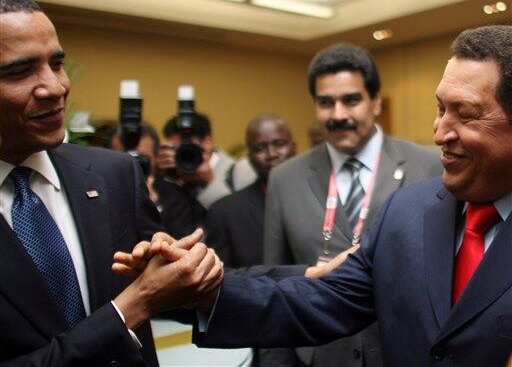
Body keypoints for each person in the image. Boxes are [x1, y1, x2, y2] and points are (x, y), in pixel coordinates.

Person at [188, 25, 512, 366]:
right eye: (440, 109)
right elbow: (321, 298)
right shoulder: (406, 212)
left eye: (467, 115)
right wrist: (197, 292)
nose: (440, 133)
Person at [0, 0, 223, 365]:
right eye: (21, 71)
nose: (55, 88)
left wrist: (312, 274)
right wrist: (130, 309)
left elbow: (175, 285)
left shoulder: (113, 174)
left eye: (56, 64)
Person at [262, 43, 442, 366]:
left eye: (351, 100)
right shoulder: (284, 178)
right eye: (325, 103)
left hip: (405, 354)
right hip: (321, 356)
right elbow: (276, 288)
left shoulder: (429, 167)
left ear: (375, 101)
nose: (338, 114)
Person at [205, 114, 296, 267]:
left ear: (293, 147)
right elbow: (221, 276)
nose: (272, 154)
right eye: (260, 148)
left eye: (279, 144)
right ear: (249, 157)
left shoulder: (323, 198)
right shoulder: (225, 212)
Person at [155, 113, 234, 237]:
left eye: (186, 147)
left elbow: (237, 218)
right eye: (175, 149)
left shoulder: (234, 171)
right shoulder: (172, 173)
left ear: (207, 142)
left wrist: (209, 180)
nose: (182, 154)